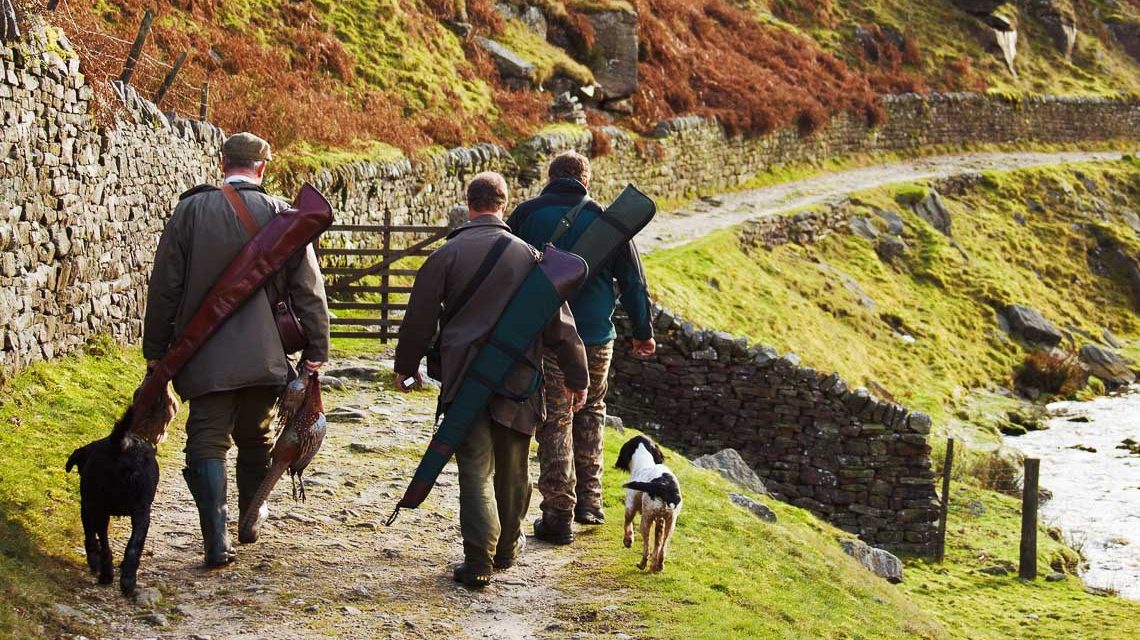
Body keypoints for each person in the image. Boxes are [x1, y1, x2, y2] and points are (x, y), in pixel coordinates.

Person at [143, 132, 330, 567]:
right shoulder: (284, 216)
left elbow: (165, 286)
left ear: (222, 162)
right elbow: (309, 290)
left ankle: (216, 539)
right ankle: (251, 515)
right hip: (265, 356)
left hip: (203, 355)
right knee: (256, 435)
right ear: (262, 167)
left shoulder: (190, 211)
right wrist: (316, 350)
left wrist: (156, 352)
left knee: (206, 441)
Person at [394, 171, 589, 587]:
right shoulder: (531, 257)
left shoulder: (446, 255)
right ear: (504, 204)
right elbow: (561, 326)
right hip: (519, 381)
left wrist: (406, 366)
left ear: (470, 204)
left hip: (464, 379)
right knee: (514, 469)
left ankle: (478, 559)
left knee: (474, 469)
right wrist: (578, 377)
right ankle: (506, 550)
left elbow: (419, 320)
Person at [508, 150, 656, 544]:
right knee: (591, 410)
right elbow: (634, 283)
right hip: (595, 336)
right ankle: (590, 502)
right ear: (586, 181)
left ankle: (558, 512)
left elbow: (506, 269)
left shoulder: (525, 215)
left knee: (556, 417)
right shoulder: (608, 221)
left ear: (550, 177)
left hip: (547, 334)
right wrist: (643, 332)